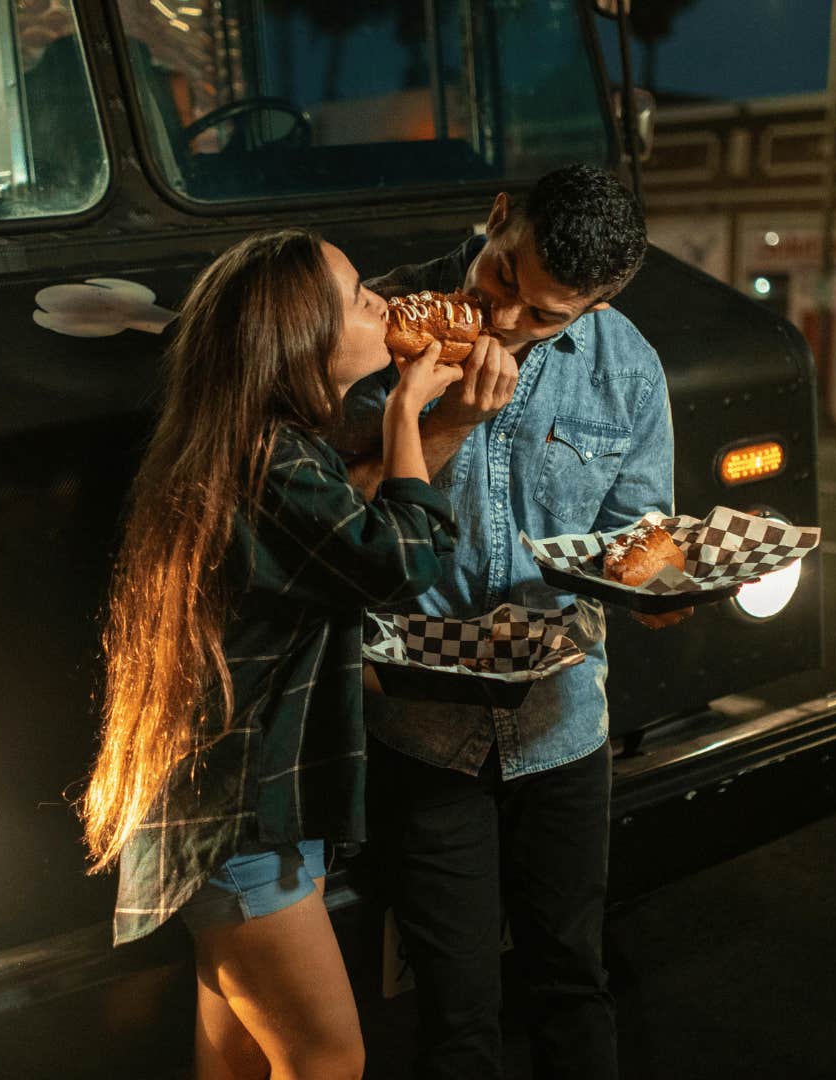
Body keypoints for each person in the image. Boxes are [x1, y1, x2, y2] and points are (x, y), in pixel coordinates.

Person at [79, 229, 462, 1080]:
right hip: (238, 818)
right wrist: (408, 410)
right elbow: (401, 562)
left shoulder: (254, 441)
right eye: (362, 298)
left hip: (239, 808)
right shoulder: (269, 459)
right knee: (327, 1058)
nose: (386, 307)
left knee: (240, 1059)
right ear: (303, 340)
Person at [337, 164, 676, 1079]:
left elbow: (635, 544)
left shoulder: (629, 370)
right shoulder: (382, 328)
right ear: (496, 217)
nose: (508, 322)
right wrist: (440, 423)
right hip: (422, 724)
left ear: (598, 305)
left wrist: (662, 592)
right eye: (502, 281)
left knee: (570, 980)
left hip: (561, 723)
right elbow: (337, 529)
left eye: (548, 316)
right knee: (456, 1011)